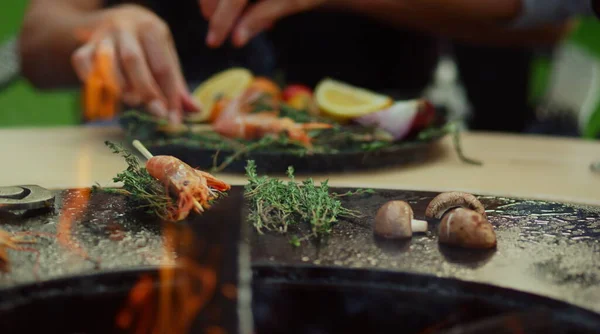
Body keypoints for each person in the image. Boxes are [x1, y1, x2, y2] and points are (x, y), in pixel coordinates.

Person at [18, 0, 595, 126]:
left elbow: (548, 20)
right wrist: (102, 27)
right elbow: (36, 43)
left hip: (369, 174)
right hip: (155, 177)